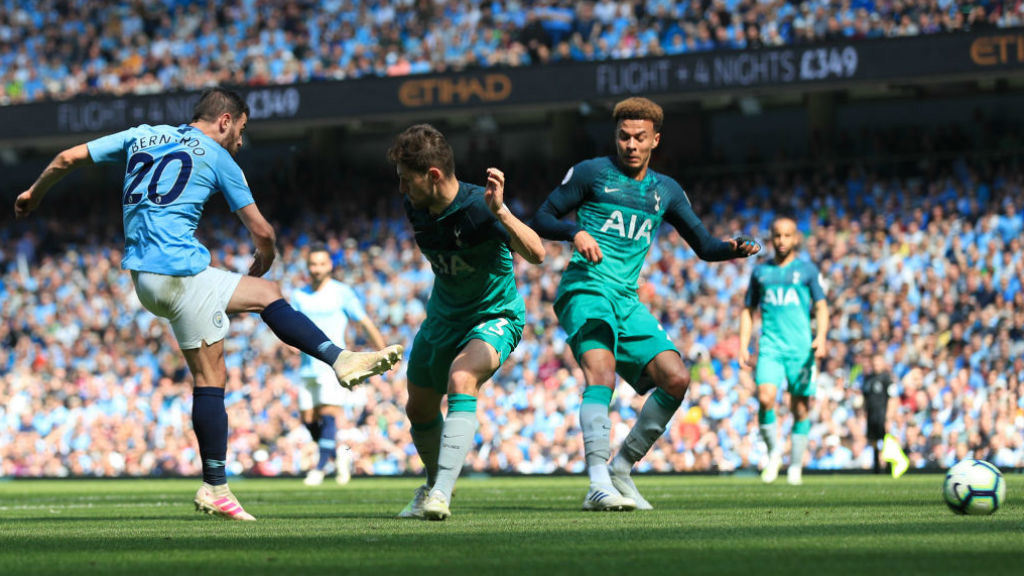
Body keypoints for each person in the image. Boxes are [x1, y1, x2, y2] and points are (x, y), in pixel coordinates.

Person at [13, 87, 403, 520]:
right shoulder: (219, 157)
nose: (240, 140)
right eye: (241, 129)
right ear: (224, 120)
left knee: (211, 373)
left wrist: (35, 193)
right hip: (180, 275)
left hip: (145, 278)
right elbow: (264, 232)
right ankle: (337, 361)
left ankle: (218, 482)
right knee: (265, 298)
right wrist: (266, 257)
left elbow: (67, 158)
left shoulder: (142, 135)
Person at [531, 97, 760, 511]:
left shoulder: (666, 190)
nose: (630, 145)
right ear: (615, 137)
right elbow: (542, 216)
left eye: (639, 137)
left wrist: (733, 249)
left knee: (676, 378)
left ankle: (621, 468)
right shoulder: (591, 174)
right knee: (601, 372)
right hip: (586, 288)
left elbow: (704, 246)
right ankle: (597, 483)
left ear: (655, 139)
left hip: (626, 298)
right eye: (623, 136)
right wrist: (573, 233)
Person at [386, 124, 545, 520]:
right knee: (418, 409)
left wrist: (502, 213)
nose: (402, 190)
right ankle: (432, 484)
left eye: (407, 181)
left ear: (433, 175)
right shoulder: (416, 206)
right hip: (442, 317)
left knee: (462, 378)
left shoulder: (481, 207)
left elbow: (538, 253)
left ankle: (441, 492)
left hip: (495, 315)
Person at [739, 216, 828, 486]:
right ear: (771, 237)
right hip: (770, 347)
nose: (782, 241)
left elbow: (821, 306)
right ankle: (774, 453)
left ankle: (796, 466)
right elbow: (748, 309)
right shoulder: (760, 272)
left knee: (800, 407)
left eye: (787, 235)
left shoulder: (808, 270)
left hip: (801, 349)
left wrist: (821, 337)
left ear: (796, 238)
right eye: (777, 235)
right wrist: (743, 344)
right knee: (765, 398)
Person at [290, 242, 388, 486]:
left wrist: (383, 351)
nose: (317, 268)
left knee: (329, 414)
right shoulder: (299, 295)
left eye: (322, 263)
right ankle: (337, 458)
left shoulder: (341, 292)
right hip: (307, 365)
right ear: (308, 266)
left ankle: (320, 468)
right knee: (308, 419)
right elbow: (290, 327)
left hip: (333, 362)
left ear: (330, 265)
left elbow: (364, 321)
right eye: (313, 264)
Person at [861, 352, 895, 474]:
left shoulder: (887, 378)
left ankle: (889, 467)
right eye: (874, 363)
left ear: (883, 363)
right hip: (871, 415)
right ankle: (876, 466)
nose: (876, 365)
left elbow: (892, 398)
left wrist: (889, 417)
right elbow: (865, 398)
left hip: (883, 415)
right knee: (873, 440)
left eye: (878, 362)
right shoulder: (868, 379)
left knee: (886, 441)